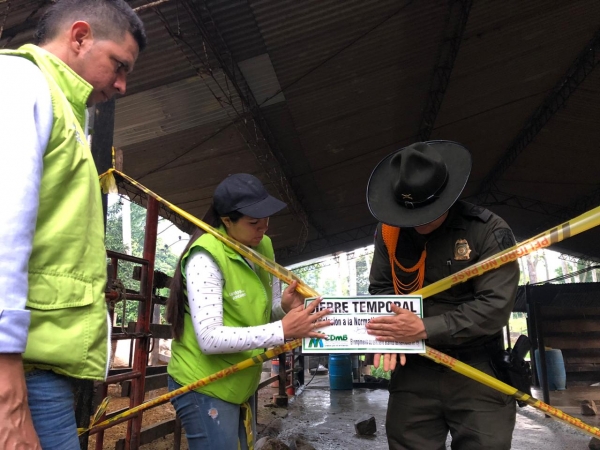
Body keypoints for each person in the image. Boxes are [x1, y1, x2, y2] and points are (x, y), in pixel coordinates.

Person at [0, 1, 146, 449]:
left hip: (40, 363)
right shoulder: (21, 84)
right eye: (118, 66)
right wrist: (8, 393)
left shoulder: (61, 109)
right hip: (24, 369)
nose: (121, 85)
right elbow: (5, 225)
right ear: (79, 37)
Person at [364, 141, 519, 449]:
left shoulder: (486, 231)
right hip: (414, 370)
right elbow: (380, 288)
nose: (416, 222)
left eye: (426, 213)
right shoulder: (389, 232)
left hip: (475, 367)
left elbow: (494, 306)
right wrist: (389, 331)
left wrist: (425, 327)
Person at [166, 173, 332, 450]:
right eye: (254, 222)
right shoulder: (205, 256)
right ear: (226, 220)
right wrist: (283, 330)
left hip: (240, 380)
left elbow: (255, 316)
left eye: (267, 219)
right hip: (205, 383)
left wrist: (283, 309)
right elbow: (209, 338)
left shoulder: (261, 245)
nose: (263, 228)